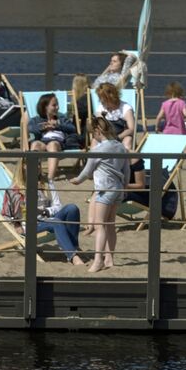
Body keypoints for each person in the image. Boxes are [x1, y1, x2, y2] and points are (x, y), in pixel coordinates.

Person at [70, 116, 128, 274]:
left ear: (97, 131)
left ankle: (98, 260)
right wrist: (124, 187)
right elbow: (126, 170)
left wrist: (77, 180)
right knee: (110, 224)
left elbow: (87, 171)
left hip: (104, 188)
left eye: (92, 133)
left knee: (99, 224)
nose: (92, 136)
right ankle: (110, 259)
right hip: (118, 188)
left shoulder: (99, 150)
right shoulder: (121, 147)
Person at [27, 92, 80, 182]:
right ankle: (34, 175)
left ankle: (50, 178)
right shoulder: (37, 119)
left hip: (58, 143)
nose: (57, 107)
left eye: (57, 105)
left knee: (52, 145)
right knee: (35, 144)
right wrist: (43, 127)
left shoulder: (62, 118)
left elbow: (72, 128)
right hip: (43, 142)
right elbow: (31, 128)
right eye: (54, 105)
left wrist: (57, 125)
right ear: (45, 107)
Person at [94, 82, 136, 149]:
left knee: (128, 141)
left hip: (121, 136)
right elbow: (99, 126)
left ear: (111, 97)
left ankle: (124, 159)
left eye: (104, 100)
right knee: (94, 141)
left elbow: (131, 129)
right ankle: (93, 159)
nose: (101, 101)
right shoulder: (101, 107)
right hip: (106, 137)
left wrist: (117, 138)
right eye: (101, 99)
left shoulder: (126, 108)